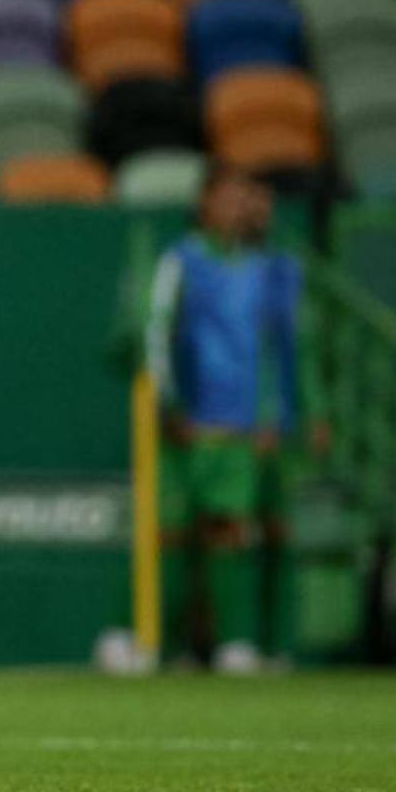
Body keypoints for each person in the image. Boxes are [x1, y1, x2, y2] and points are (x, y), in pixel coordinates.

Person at [145, 166, 305, 674]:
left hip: (240, 426)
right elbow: (156, 335)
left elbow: (277, 349)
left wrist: (274, 415)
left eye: (247, 200)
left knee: (233, 533)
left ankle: (239, 643)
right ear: (206, 203)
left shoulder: (266, 268)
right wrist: (167, 403)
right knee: (171, 536)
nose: (241, 209)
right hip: (187, 421)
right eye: (231, 198)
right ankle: (158, 644)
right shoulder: (180, 261)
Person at [244, 179, 327, 670]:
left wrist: (312, 411)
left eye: (263, 206)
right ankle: (234, 643)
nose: (255, 214)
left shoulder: (285, 271)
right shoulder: (219, 265)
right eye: (247, 203)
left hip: (279, 422)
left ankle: (278, 646)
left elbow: (302, 348)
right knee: (231, 536)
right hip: (232, 422)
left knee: (280, 533)